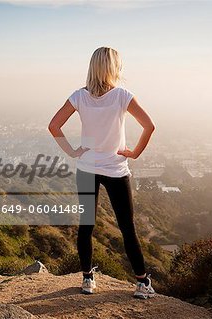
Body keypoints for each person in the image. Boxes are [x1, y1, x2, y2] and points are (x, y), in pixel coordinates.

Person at [48, 47, 156, 299]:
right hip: (116, 169)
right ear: (114, 68)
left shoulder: (79, 96)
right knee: (127, 227)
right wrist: (135, 153)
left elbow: (54, 126)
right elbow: (149, 126)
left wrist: (72, 151)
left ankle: (87, 279)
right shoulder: (122, 96)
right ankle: (141, 283)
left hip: (86, 168)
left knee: (87, 225)